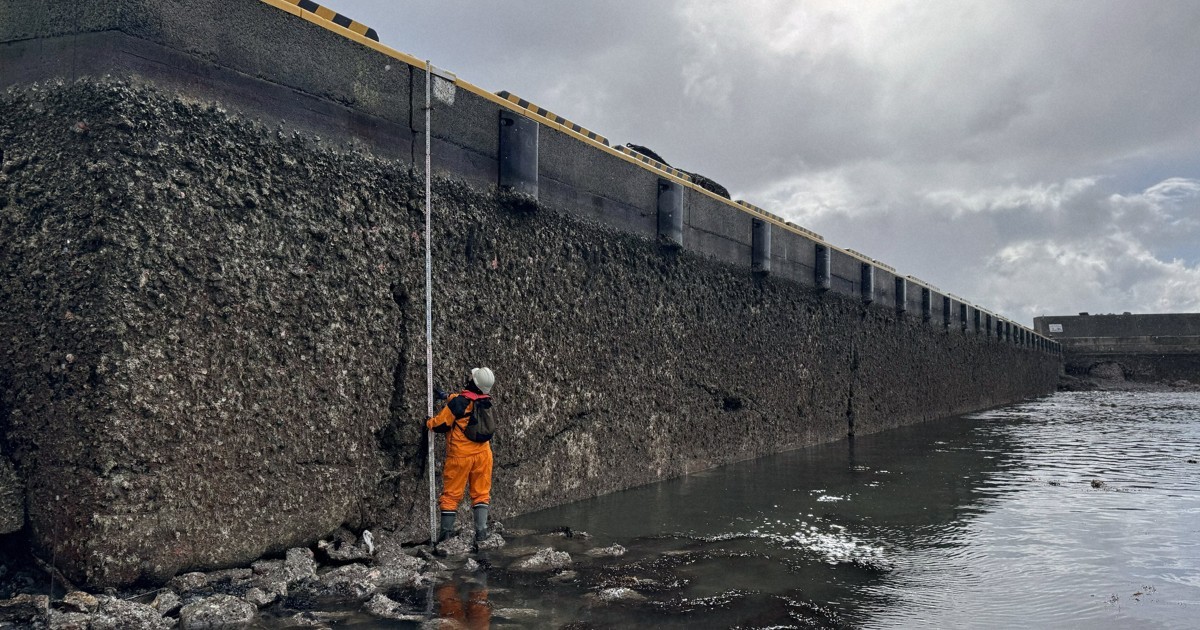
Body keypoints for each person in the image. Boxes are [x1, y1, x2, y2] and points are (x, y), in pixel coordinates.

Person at [426, 367, 496, 543]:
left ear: (473, 381)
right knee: (481, 493)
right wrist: (446, 396)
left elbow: (440, 424)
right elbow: (463, 400)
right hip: (483, 454)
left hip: (460, 456)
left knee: (451, 495)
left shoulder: (459, 403)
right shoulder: (485, 400)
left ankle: (445, 537)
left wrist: (428, 422)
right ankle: (481, 533)